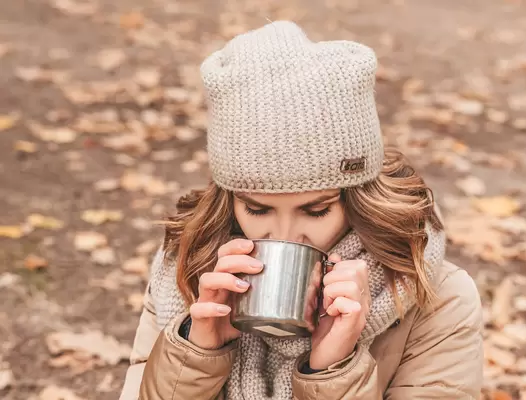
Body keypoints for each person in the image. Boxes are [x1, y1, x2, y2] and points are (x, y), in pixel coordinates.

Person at [119, 20, 483, 400]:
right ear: (230, 199)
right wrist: (197, 352)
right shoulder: (187, 269)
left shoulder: (437, 298)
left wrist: (333, 371)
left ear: (357, 198)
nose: (285, 236)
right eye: (257, 209)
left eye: (316, 210)